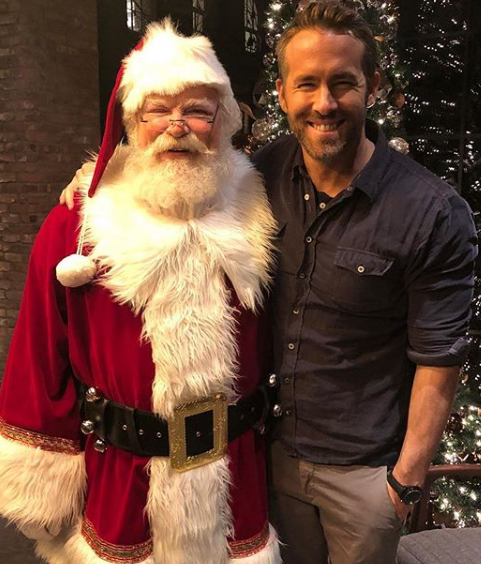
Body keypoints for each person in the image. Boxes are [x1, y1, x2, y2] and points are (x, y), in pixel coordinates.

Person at [59, 2, 478, 564]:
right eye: (307, 84)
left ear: (373, 87)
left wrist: (404, 482)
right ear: (282, 94)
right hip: (267, 458)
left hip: (362, 474)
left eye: (343, 83)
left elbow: (440, 358)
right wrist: (103, 176)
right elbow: (181, 175)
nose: (324, 103)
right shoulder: (261, 176)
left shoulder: (432, 211)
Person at [0, 20, 281, 564]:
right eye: (157, 110)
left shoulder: (258, 207)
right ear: (133, 121)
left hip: (236, 484)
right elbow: (38, 352)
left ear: (221, 122)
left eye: (198, 110)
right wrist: (40, 469)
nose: (177, 126)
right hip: (122, 488)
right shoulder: (79, 224)